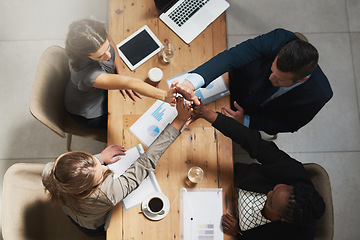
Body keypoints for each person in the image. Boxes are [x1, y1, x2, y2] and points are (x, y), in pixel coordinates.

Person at [42, 97, 193, 237]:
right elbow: (146, 162)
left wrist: (99, 158)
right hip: (92, 227)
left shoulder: (52, 171)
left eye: (95, 163)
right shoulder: (107, 193)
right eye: (100, 175)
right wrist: (178, 121)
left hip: (71, 211)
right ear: (85, 188)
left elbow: (92, 167)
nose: (105, 167)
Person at [189, 100, 325, 240]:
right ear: (291, 186)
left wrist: (239, 233)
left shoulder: (293, 235)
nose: (269, 193)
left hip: (225, 223)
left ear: (284, 220)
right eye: (276, 188)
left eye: (270, 202)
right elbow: (254, 142)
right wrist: (208, 114)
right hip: (229, 178)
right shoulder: (291, 171)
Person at [176, 28, 333, 135]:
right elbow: (232, 57)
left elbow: (288, 125)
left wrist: (246, 120)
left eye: (279, 79)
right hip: (232, 83)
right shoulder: (278, 39)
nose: (271, 78)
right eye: (272, 70)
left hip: (252, 114)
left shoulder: (319, 95)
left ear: (301, 80)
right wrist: (190, 84)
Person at [64, 19, 177, 129]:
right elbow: (129, 83)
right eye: (100, 56)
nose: (108, 56)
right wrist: (165, 96)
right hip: (90, 113)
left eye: (107, 48)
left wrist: (121, 70)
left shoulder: (96, 39)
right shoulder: (89, 75)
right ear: (85, 56)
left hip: (96, 91)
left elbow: (108, 39)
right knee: (129, 120)